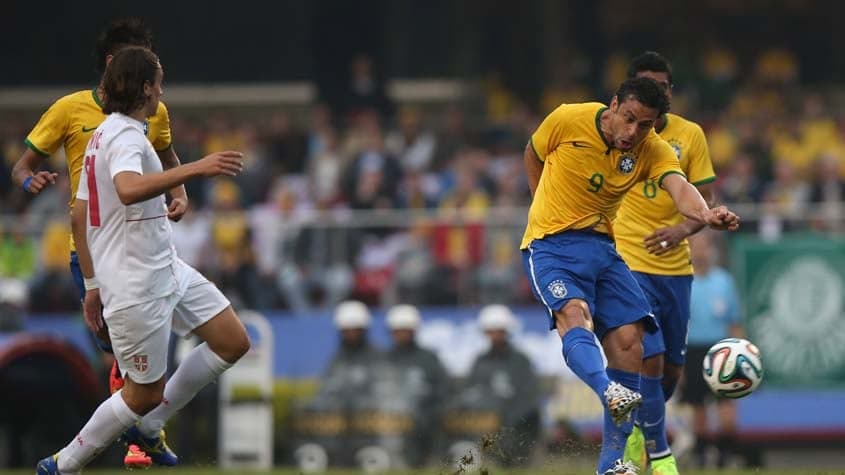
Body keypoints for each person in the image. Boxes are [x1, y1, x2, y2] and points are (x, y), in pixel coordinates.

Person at [36, 46, 250, 475]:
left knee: (232, 341)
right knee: (142, 393)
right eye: (159, 79)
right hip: (136, 283)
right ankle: (63, 465)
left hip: (164, 265)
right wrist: (195, 169)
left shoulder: (107, 132)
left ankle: (149, 427)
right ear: (146, 87)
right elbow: (130, 188)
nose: (162, 87)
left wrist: (91, 285)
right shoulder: (126, 137)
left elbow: (79, 210)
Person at [520, 76, 740, 475]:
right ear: (614, 103)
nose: (633, 131)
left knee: (630, 342)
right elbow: (533, 153)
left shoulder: (651, 149)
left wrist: (706, 214)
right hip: (551, 246)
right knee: (574, 312)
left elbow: (679, 186)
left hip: (604, 250)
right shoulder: (569, 119)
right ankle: (608, 391)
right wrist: (540, 205)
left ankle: (613, 465)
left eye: (646, 125)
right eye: (629, 118)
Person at [11, 18, 187, 468]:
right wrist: (30, 179)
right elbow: (23, 165)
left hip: (143, 250)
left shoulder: (154, 114)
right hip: (92, 249)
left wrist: (179, 191)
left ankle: (133, 437)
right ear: (115, 64)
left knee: (142, 356)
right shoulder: (70, 110)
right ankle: (130, 437)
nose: (155, 83)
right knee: (117, 353)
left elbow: (167, 155)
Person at [615, 52, 717, 475]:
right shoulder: (618, 135)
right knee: (649, 359)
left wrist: (683, 230)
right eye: (644, 85)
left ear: (669, 93)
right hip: (628, 259)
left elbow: (704, 204)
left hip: (676, 267)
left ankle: (641, 426)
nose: (652, 93)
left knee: (671, 373)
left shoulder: (690, 136)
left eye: (659, 86)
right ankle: (659, 455)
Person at [682, 231, 743, 468]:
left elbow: (735, 322)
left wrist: (740, 353)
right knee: (698, 408)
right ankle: (701, 454)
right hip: (693, 351)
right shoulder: (684, 281)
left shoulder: (723, 281)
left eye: (704, 246)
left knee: (726, 409)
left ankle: (727, 454)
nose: (700, 251)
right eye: (695, 246)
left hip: (721, 352)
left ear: (712, 250)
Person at [464, 304, 540, 467]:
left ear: (506, 331)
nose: (494, 335)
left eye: (499, 331)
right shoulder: (480, 361)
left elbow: (529, 396)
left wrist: (505, 418)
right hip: (485, 421)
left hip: (516, 423)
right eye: (490, 331)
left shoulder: (520, 361)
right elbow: (470, 392)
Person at [385, 304, 449, 467]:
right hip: (389, 417)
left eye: (406, 330)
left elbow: (444, 389)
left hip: (425, 417)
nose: (402, 335)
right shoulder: (384, 359)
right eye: (398, 330)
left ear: (414, 331)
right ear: (391, 332)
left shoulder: (428, 359)